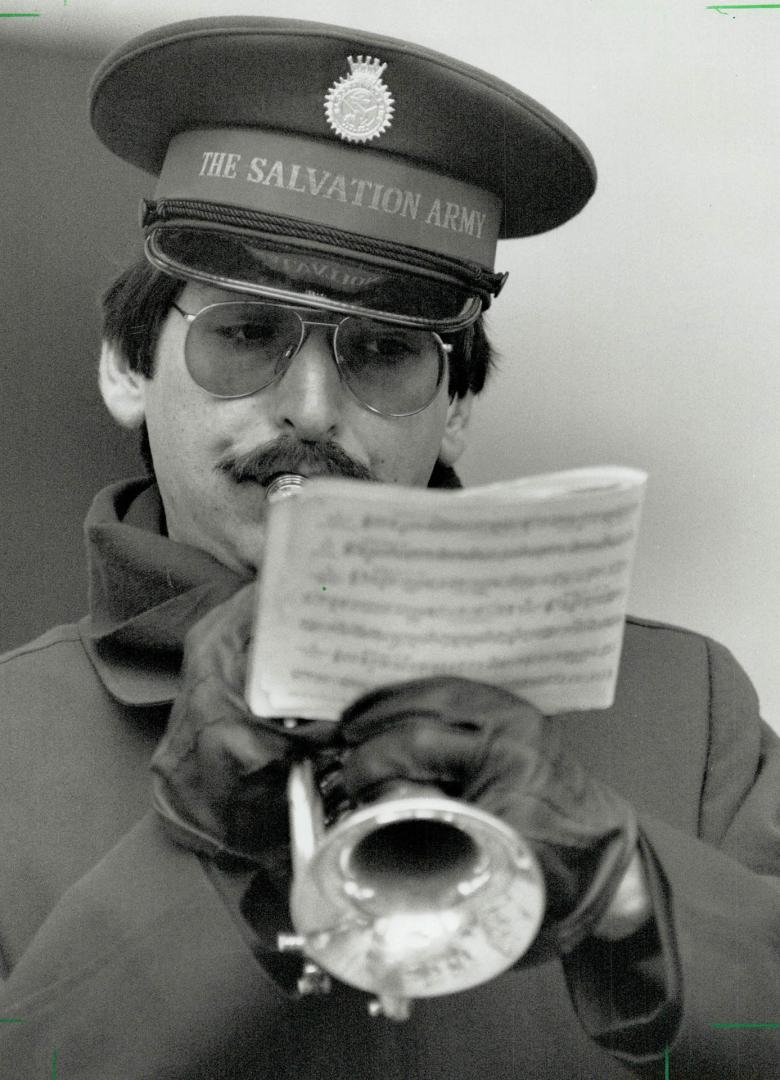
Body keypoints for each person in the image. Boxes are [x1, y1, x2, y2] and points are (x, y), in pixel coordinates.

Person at [0, 16, 777, 1080]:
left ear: (454, 407)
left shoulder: (690, 714)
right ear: (128, 367)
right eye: (246, 335)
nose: (313, 407)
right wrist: (200, 863)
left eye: (383, 352)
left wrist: (624, 886)